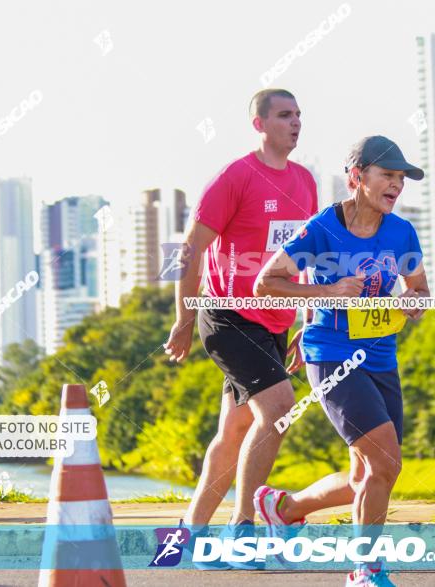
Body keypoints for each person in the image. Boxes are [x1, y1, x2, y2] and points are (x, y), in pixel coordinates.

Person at [253, 136, 430, 586]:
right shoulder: (321, 229)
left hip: (381, 358)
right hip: (331, 357)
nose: (396, 186)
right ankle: (365, 570)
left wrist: (414, 301)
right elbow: (266, 283)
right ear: (357, 177)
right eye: (387, 175)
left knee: (363, 476)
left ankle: (284, 508)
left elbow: (419, 287)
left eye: (401, 178)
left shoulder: (401, 232)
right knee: (386, 465)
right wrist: (326, 292)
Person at [162, 88, 318, 569]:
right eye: (284, 115)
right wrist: (184, 318)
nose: (295, 123)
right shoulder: (235, 177)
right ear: (259, 124)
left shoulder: (306, 181)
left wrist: (306, 320)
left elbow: (306, 256)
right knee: (279, 411)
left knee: (233, 432)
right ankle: (239, 531)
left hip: (274, 322)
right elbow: (190, 251)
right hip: (227, 315)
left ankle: (189, 537)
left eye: (298, 115)